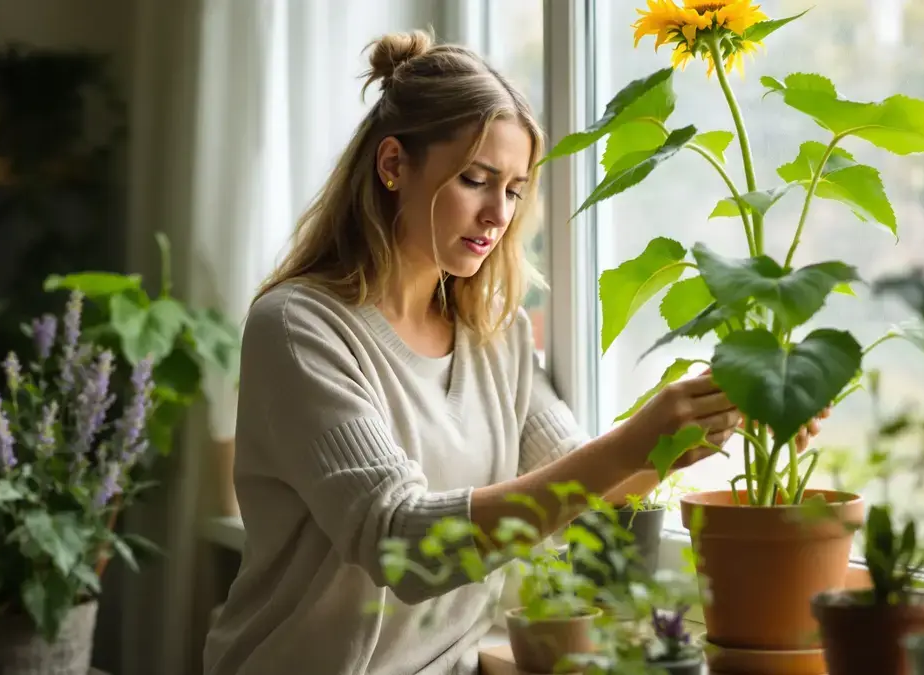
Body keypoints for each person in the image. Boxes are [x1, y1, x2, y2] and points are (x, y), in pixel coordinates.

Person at [202, 30, 822, 675]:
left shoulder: (495, 336)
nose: (499, 214)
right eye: (477, 180)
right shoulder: (300, 329)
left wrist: (709, 422)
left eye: (517, 189)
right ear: (392, 165)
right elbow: (403, 546)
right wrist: (638, 439)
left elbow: (588, 487)